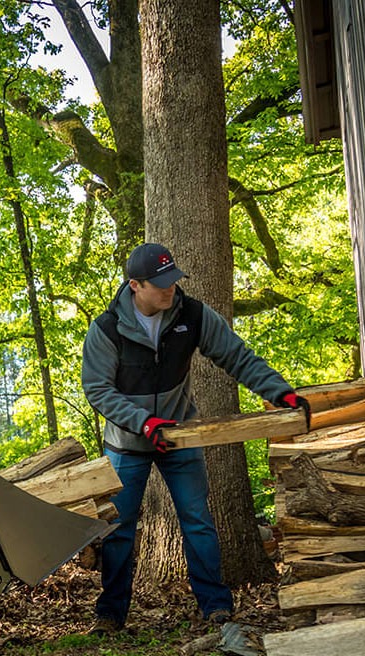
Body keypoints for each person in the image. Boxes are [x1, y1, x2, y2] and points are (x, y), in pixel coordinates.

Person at [81, 243, 307, 633]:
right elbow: (98, 390)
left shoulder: (193, 314)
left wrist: (279, 393)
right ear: (135, 285)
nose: (170, 290)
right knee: (119, 530)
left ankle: (216, 608)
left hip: (181, 436)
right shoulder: (107, 329)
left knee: (198, 522)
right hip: (127, 444)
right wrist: (144, 422)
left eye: (173, 280)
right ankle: (111, 614)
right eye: (161, 284)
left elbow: (237, 356)